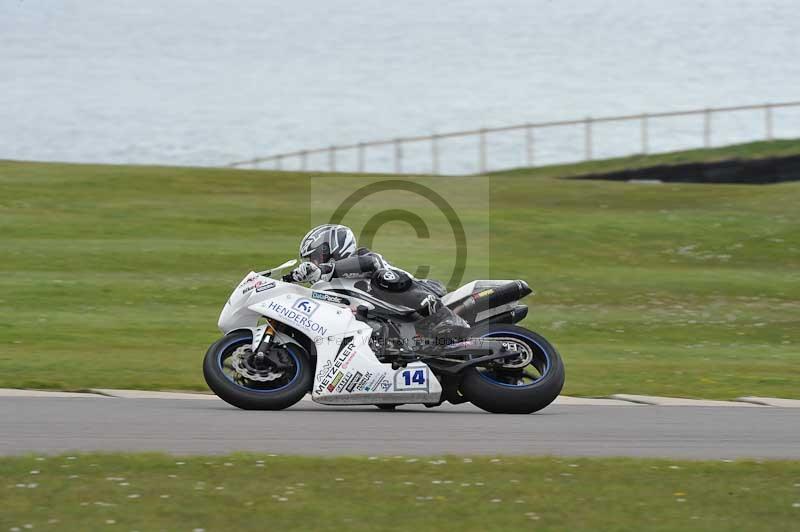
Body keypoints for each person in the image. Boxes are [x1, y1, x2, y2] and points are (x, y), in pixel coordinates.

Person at [282, 224, 468, 340]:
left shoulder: (364, 257)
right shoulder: (337, 287)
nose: (314, 264)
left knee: (384, 278)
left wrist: (324, 269)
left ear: (332, 248)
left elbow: (371, 264)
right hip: (395, 325)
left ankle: (447, 319)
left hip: (425, 290)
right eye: (310, 262)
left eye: (315, 258)